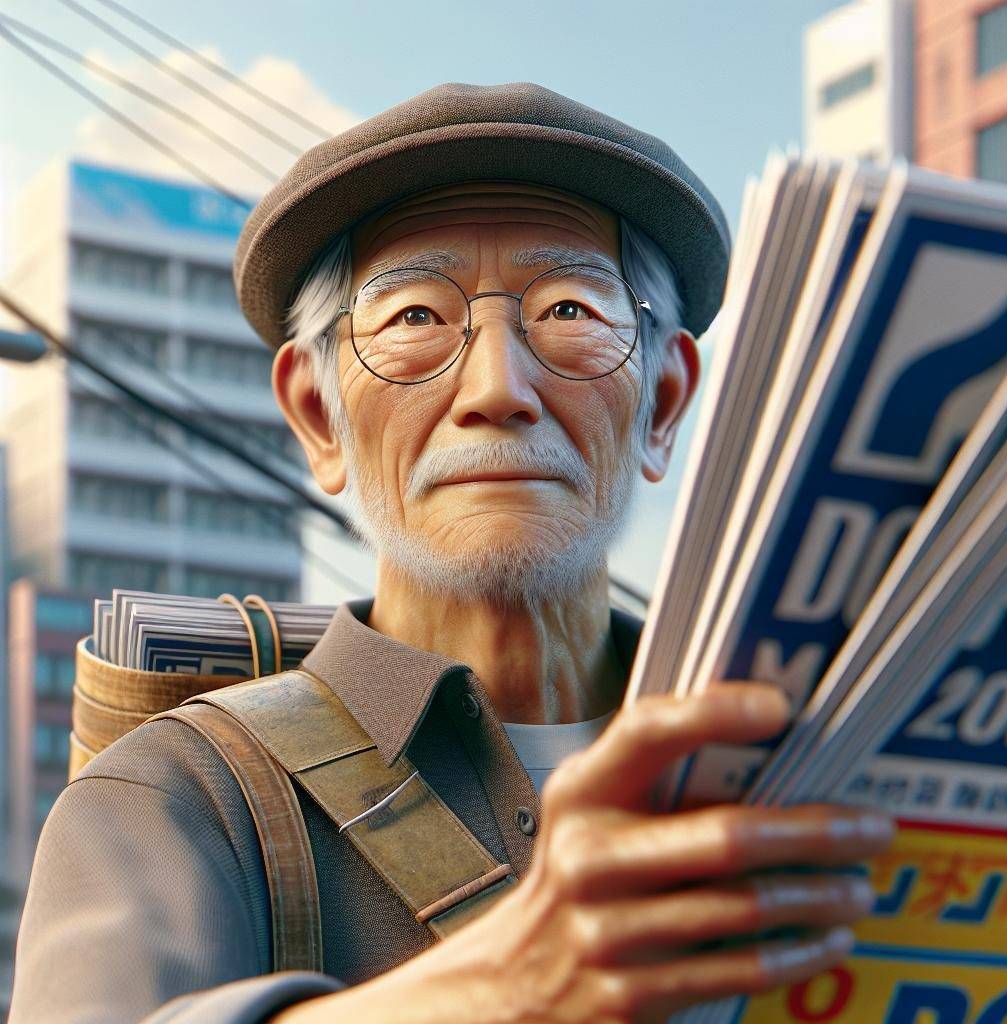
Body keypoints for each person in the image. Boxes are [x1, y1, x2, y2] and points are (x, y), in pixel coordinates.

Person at [8, 81, 893, 1024]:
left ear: (664, 403)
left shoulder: (817, 761)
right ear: (319, 416)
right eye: (415, 318)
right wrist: (501, 990)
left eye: (571, 311)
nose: (498, 388)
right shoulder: (177, 798)